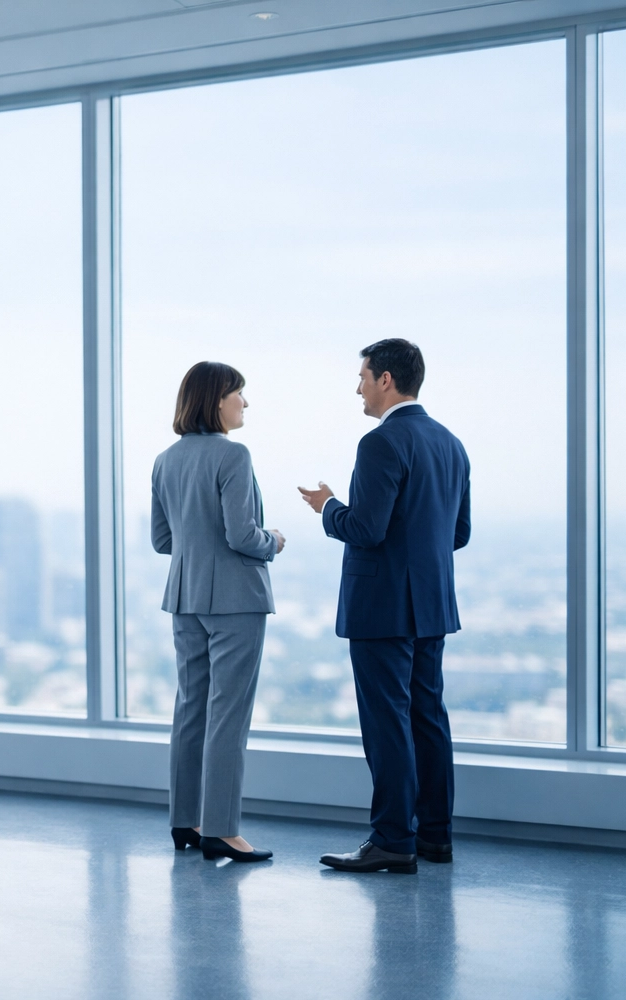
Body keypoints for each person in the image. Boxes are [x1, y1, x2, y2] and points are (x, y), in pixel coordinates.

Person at [298, 338, 470, 874]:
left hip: (382, 608)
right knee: (428, 718)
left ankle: (394, 838)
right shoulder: (451, 444)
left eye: (364, 377)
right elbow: (457, 534)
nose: (359, 388)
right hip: (431, 605)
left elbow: (365, 529)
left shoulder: (379, 443)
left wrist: (328, 508)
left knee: (387, 723)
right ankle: (435, 836)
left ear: (387, 380)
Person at [153, 361, 285, 863]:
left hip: (185, 599)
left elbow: (162, 540)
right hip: (235, 601)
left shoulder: (165, 460)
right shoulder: (233, 455)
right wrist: (272, 541)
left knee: (190, 709)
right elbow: (242, 536)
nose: (245, 403)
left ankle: (185, 821)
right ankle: (223, 830)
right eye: (239, 394)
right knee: (227, 715)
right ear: (216, 399)